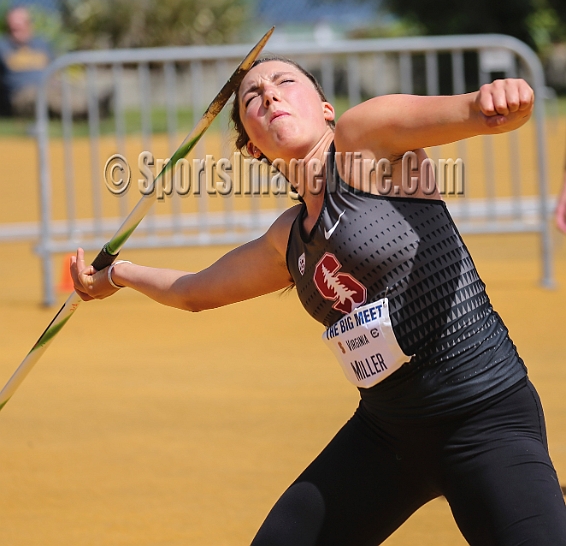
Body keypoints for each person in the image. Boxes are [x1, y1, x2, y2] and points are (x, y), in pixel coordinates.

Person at [71, 57, 566, 546]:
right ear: (253, 147)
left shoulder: (365, 141)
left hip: (483, 417)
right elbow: (194, 291)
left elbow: (477, 112)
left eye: (285, 82)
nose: (268, 94)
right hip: (386, 438)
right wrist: (116, 274)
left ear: (326, 109)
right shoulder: (287, 241)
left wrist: (500, 100)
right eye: (252, 97)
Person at [0, 6, 52, 116]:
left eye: (20, 24)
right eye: (12, 26)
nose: (15, 28)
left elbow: (55, 69)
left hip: (50, 88)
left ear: (29, 24)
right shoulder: (3, 46)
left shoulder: (42, 44)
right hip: (22, 95)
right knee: (43, 95)